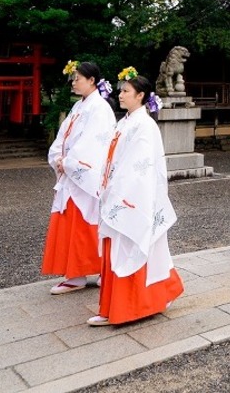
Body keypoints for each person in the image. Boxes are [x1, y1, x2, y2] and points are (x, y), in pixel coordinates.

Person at [88, 70, 184, 326]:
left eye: (125, 91)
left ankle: (129, 307)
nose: (120, 95)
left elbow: (139, 167)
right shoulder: (126, 122)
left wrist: (120, 194)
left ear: (140, 96)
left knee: (132, 247)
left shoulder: (144, 125)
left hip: (133, 196)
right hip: (117, 192)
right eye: (120, 91)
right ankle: (125, 303)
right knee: (128, 250)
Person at [42, 61, 116, 295]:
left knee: (88, 224)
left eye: (78, 78)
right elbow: (63, 135)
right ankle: (75, 273)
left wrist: (71, 163)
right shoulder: (79, 107)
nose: (74, 82)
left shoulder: (100, 107)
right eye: (73, 79)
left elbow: (96, 142)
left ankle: (101, 270)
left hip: (86, 175)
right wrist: (58, 157)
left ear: (92, 80)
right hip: (71, 175)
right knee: (71, 223)